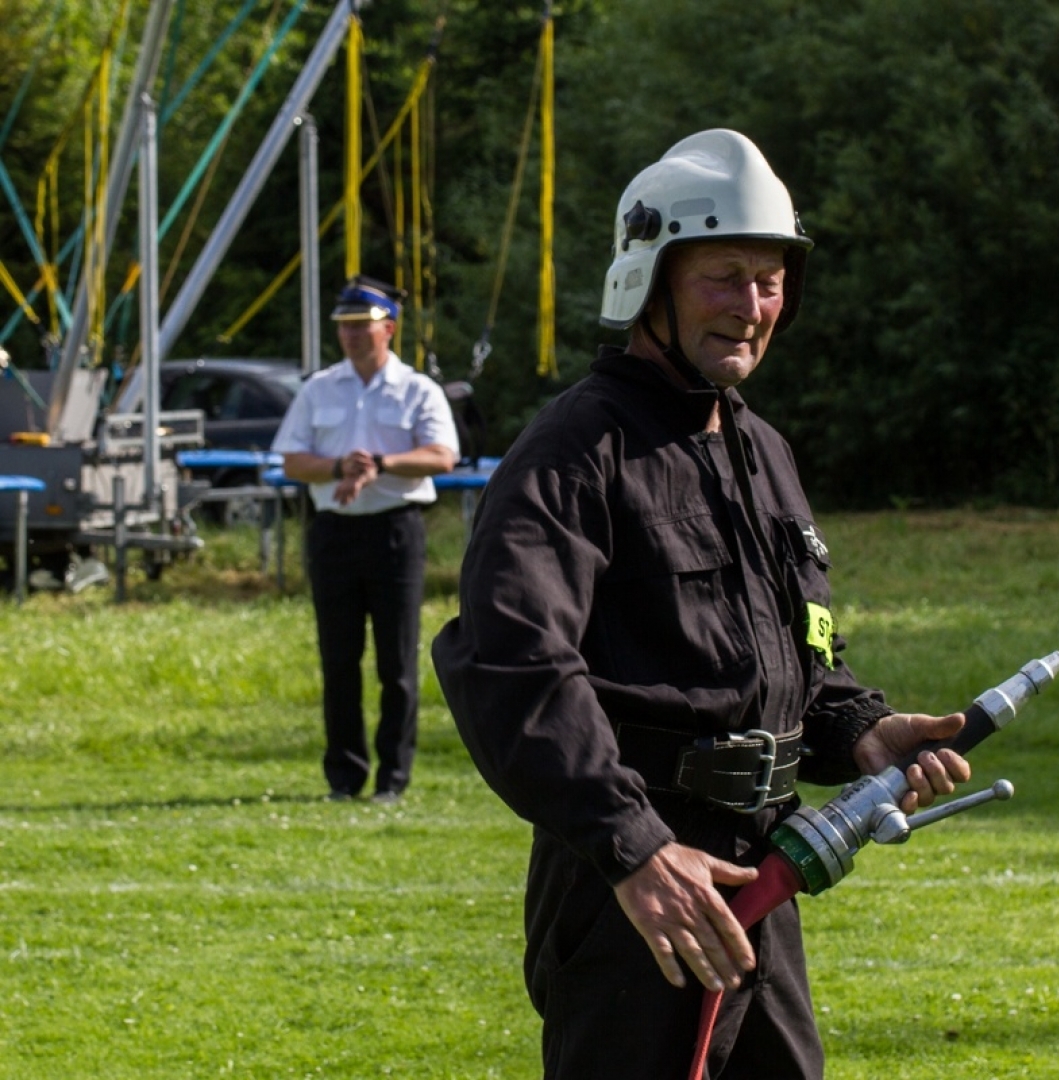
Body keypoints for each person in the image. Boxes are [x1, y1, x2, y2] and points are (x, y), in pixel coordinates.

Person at [431, 129, 971, 1078]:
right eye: (723, 276)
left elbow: (793, 651)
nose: (752, 306)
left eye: (770, 281)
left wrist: (862, 732)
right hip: (638, 886)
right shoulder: (573, 451)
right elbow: (509, 667)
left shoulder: (761, 451)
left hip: (765, 872)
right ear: (650, 278)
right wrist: (634, 849)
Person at [272, 276, 458, 803]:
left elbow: (443, 455)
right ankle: (344, 778)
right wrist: (337, 465)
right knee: (339, 660)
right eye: (344, 328)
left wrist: (380, 464)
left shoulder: (418, 389)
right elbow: (292, 461)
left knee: (395, 663)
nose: (351, 336)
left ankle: (392, 780)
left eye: (361, 326)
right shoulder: (319, 388)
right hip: (333, 533)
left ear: (389, 329)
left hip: (395, 531)